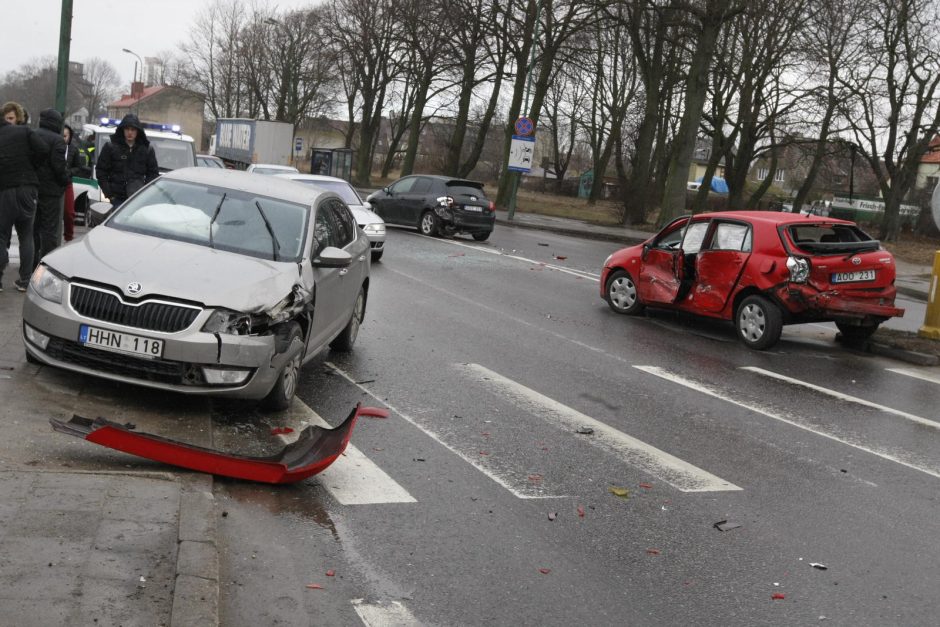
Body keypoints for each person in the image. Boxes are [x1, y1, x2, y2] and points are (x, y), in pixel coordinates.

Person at [0, 101, 47, 292]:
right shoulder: (26, 132)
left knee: (1, 235)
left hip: (5, 190)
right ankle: (26, 279)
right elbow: (43, 150)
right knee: (26, 235)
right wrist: (31, 167)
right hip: (29, 189)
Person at [95, 114, 159, 208]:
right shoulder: (111, 147)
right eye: (127, 129)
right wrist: (109, 193)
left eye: (133, 130)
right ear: (122, 130)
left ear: (138, 131)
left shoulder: (146, 149)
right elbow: (101, 171)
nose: (130, 132)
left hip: (137, 198)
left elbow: (153, 174)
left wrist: (144, 193)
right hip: (116, 198)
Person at [33, 108, 70, 269]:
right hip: (51, 193)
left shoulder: (33, 135)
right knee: (49, 231)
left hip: (33, 189)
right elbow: (59, 168)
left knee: (33, 229)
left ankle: (31, 263)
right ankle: (46, 266)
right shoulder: (57, 141)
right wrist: (66, 181)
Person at [61, 124, 89, 242]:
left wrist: (69, 172)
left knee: (69, 212)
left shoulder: (73, 149)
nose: (63, 138)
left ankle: (69, 237)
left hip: (67, 183)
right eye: (61, 136)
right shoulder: (52, 146)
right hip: (52, 184)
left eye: (65, 136)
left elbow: (78, 167)